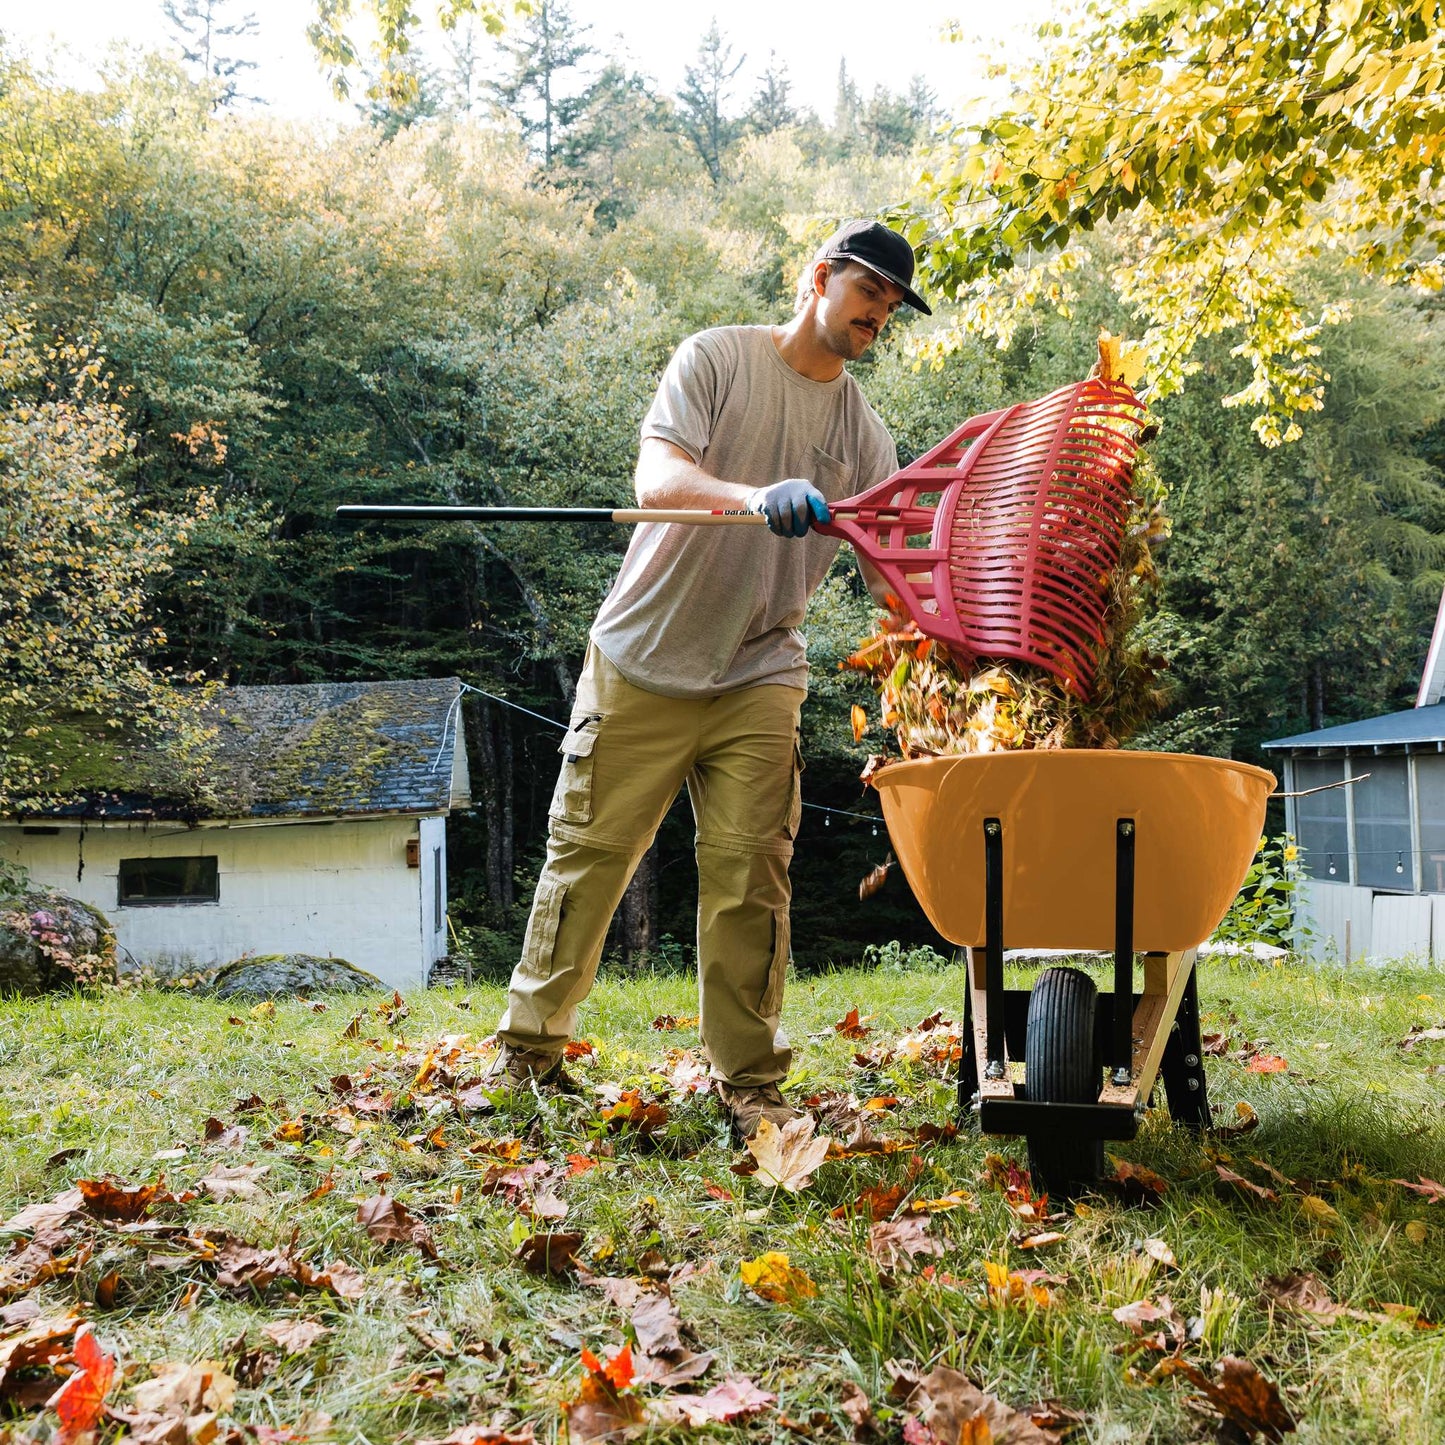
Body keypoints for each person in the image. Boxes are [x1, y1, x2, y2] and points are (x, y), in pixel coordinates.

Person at [487, 219, 931, 1138]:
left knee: (750, 877)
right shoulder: (717, 359)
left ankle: (748, 1081)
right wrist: (751, 496)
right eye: (867, 293)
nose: (876, 317)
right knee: (589, 859)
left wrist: (953, 623)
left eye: (890, 307)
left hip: (761, 666)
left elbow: (891, 575)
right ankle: (528, 1055)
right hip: (643, 657)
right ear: (819, 277)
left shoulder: (864, 435)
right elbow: (657, 478)